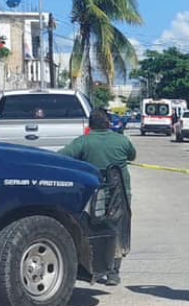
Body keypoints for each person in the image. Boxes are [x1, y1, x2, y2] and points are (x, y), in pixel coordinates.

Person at [59, 110, 137, 286]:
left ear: (90, 126)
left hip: (95, 194)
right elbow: (132, 155)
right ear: (108, 123)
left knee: (94, 229)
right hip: (121, 194)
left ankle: (96, 268)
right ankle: (114, 272)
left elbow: (62, 156)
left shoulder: (83, 142)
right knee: (118, 229)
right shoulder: (122, 140)